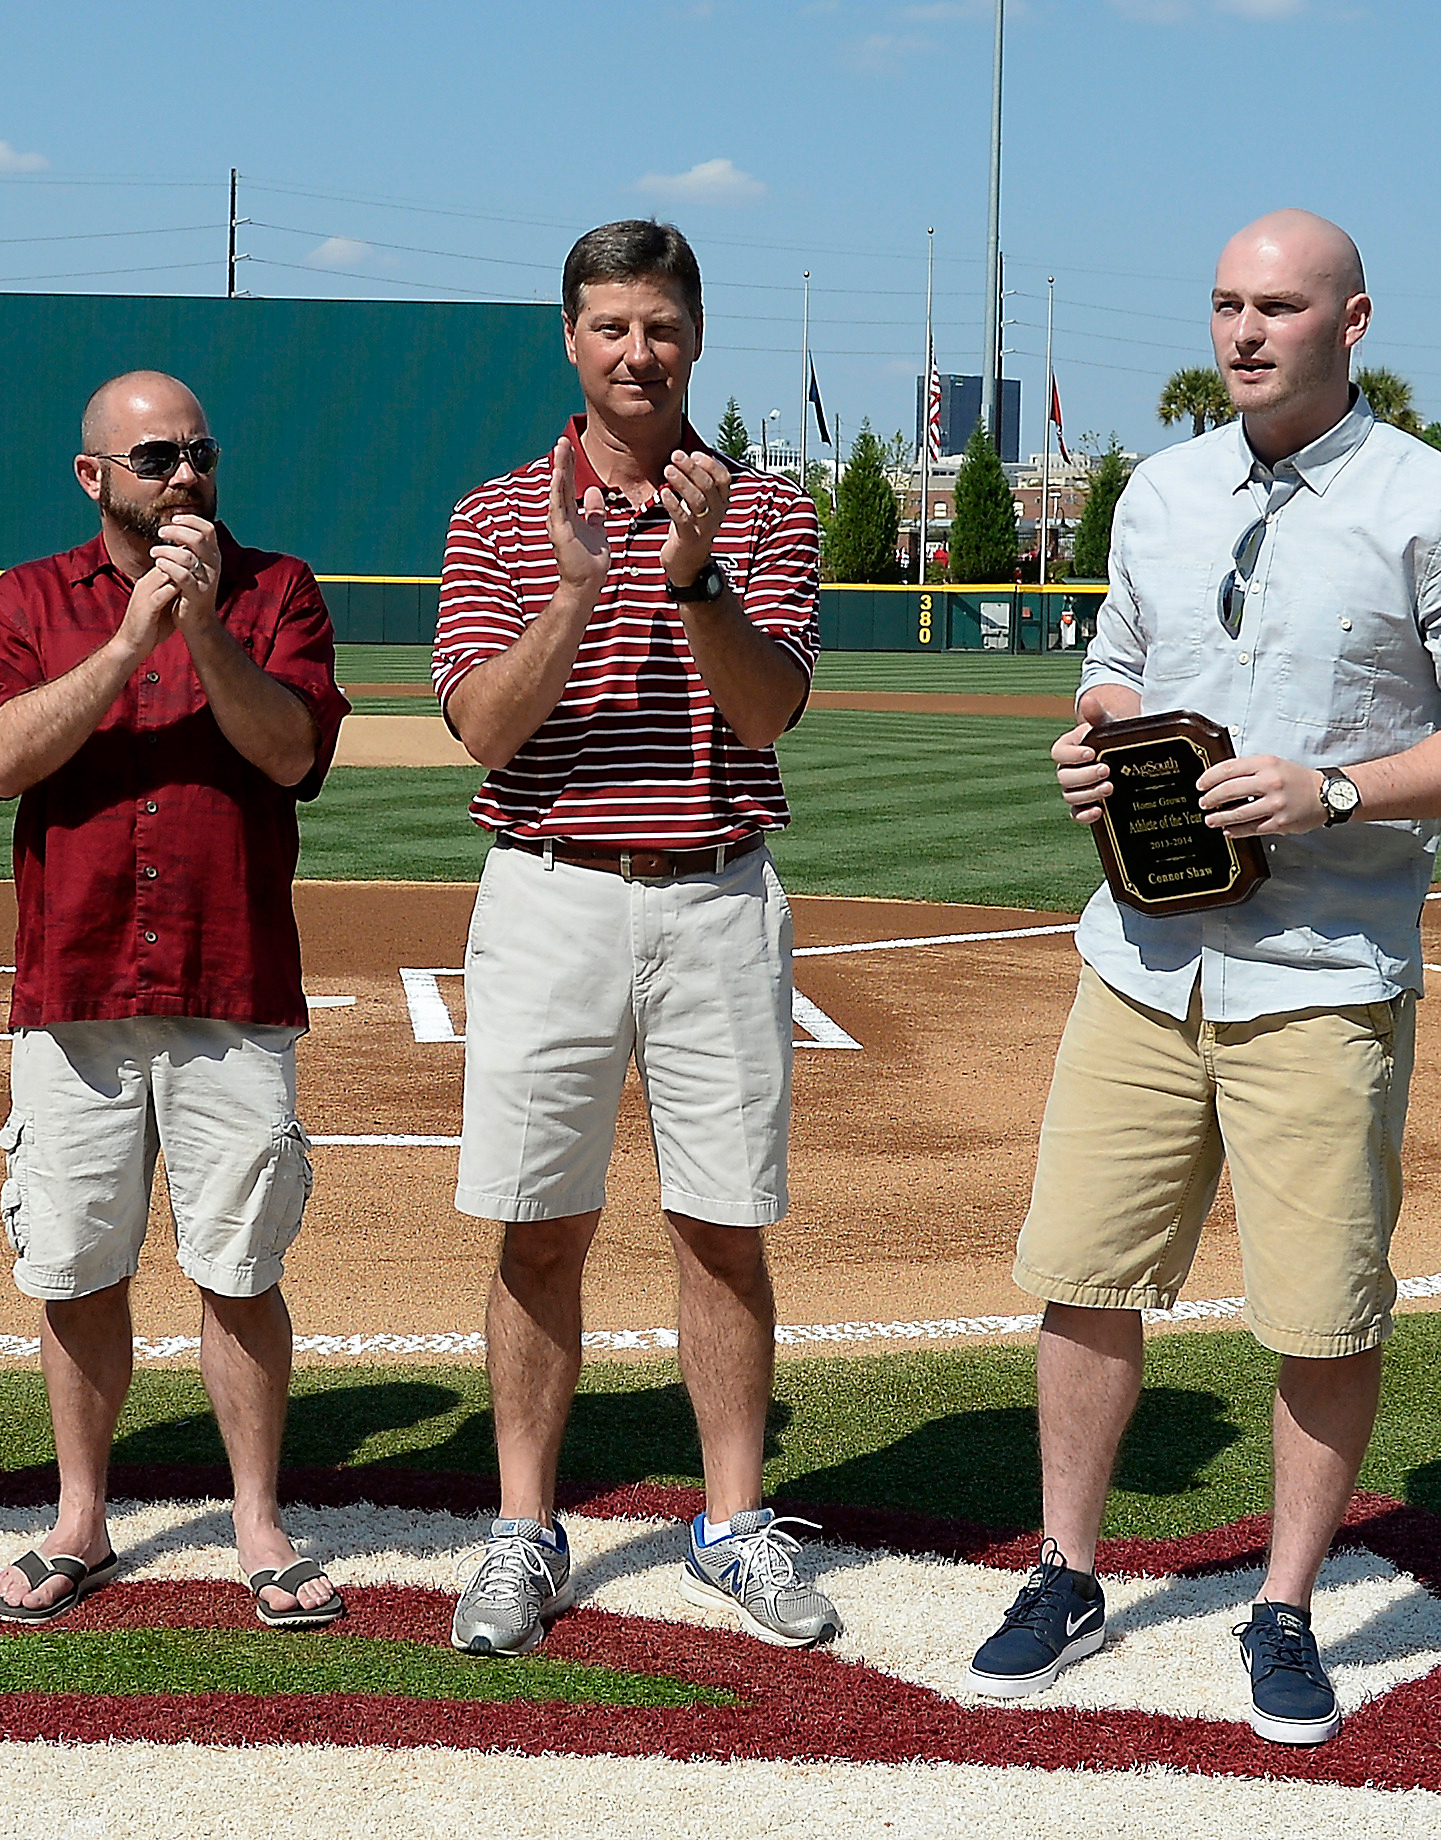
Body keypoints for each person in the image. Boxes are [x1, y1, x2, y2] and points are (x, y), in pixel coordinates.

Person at [965, 210, 1441, 1745]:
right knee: (1082, 1279)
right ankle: (1067, 1570)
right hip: (1143, 960)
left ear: (1353, 321)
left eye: (1279, 306)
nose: (1245, 331)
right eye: (1226, 302)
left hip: (1324, 970)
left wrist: (1337, 792)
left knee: (1320, 1314)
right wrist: (1095, 733)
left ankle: (1284, 1605)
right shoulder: (1160, 490)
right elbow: (1118, 656)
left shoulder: (1439, 505)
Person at [433, 220, 839, 1658]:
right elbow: (482, 725)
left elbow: (768, 713)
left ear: (695, 336)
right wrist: (581, 587)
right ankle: (523, 1530)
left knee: (723, 1225)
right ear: (571, 339)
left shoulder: (766, 513)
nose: (635, 351)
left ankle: (732, 1524)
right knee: (538, 1225)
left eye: (659, 325)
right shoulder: (495, 512)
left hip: (719, 887)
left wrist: (691, 571)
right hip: (549, 886)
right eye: (609, 325)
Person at [0, 370, 351, 1631]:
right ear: (95, 478)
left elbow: (290, 752)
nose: (185, 474)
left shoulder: (277, 590)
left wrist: (199, 628)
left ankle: (255, 1519)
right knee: (75, 1266)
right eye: (156, 457)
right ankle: (81, 1516)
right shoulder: (25, 602)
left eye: (200, 451)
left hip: (229, 985)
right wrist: (130, 635)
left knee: (240, 1263)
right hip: (73, 988)